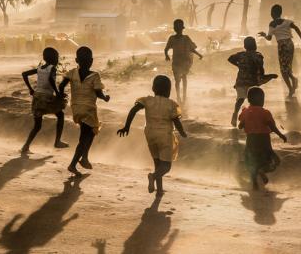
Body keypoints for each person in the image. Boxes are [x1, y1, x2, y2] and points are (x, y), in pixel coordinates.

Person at [117, 75, 187, 196]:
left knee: (158, 164)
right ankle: (153, 177)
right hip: (164, 136)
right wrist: (182, 133)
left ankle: (159, 190)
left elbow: (133, 110)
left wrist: (127, 126)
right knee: (166, 167)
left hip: (150, 135)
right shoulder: (171, 104)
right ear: (169, 91)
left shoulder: (147, 100)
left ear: (153, 88)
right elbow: (176, 121)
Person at [59, 46, 110, 175]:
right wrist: (105, 98)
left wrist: (60, 95)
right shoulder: (94, 75)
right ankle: (73, 164)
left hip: (76, 108)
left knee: (92, 131)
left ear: (76, 60)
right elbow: (98, 93)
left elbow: (61, 85)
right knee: (84, 138)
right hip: (88, 109)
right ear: (91, 61)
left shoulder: (71, 73)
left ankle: (85, 158)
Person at [238, 87, 288, 190]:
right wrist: (280, 135)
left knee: (252, 162)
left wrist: (245, 118)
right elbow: (272, 126)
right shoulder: (265, 112)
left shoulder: (246, 112)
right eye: (262, 99)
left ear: (248, 99)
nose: (263, 101)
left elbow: (240, 126)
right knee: (275, 161)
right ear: (260, 100)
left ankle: (255, 183)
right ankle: (262, 171)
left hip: (251, 140)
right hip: (264, 141)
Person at [258, 4, 301, 97]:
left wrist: (264, 35)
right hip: (290, 44)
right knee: (287, 67)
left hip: (282, 46)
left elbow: (269, 38)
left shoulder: (272, 24)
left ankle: (291, 88)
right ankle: (293, 81)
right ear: (280, 13)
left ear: (272, 13)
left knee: (283, 70)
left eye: (272, 12)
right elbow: (296, 28)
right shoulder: (287, 22)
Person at [21, 47, 68, 153]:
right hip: (46, 98)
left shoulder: (40, 68)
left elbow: (24, 74)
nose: (57, 59)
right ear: (54, 59)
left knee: (37, 126)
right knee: (60, 115)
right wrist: (57, 92)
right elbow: (51, 79)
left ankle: (26, 146)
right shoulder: (52, 68)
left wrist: (31, 89)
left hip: (37, 98)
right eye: (57, 57)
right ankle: (57, 141)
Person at [228, 36, 278, 127]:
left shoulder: (241, 54)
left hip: (241, 81)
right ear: (255, 45)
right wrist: (268, 76)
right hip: (252, 82)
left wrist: (239, 65)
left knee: (240, 99)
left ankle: (235, 114)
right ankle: (253, 119)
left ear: (244, 46)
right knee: (255, 102)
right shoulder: (258, 56)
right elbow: (261, 71)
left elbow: (230, 58)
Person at [164, 19, 203, 103]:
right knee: (178, 80)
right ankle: (178, 96)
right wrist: (166, 55)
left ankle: (184, 95)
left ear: (182, 29)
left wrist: (199, 54)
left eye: (179, 27)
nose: (178, 29)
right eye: (177, 27)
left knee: (183, 78)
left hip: (184, 62)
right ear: (175, 28)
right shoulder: (172, 38)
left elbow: (191, 49)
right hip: (177, 62)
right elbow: (166, 49)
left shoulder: (186, 38)